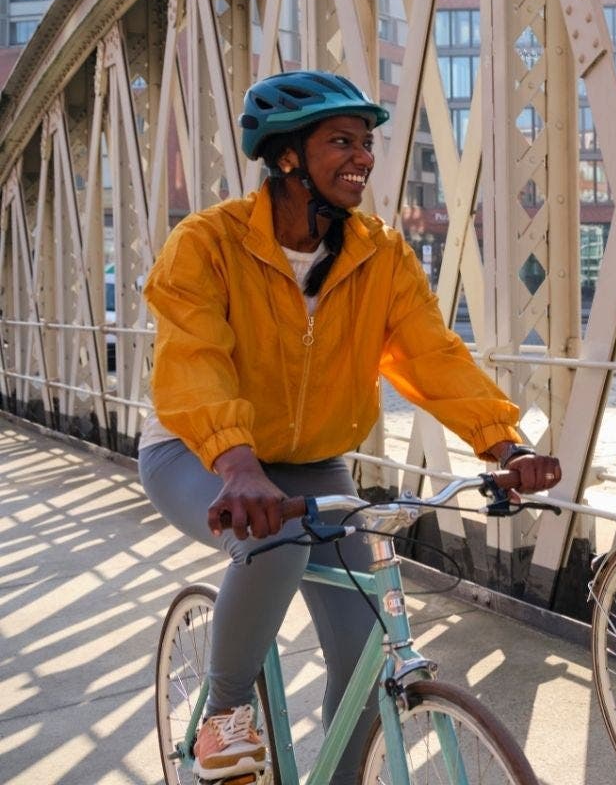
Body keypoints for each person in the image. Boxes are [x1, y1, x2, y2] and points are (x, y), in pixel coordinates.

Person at [139, 70, 561, 783]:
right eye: (342, 141)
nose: (363, 156)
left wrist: (503, 441)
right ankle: (225, 714)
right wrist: (237, 464)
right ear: (285, 158)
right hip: (202, 452)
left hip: (314, 462)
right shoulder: (206, 244)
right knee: (272, 540)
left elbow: (431, 353)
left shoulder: (379, 253)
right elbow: (195, 360)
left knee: (365, 662)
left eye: (367, 143)